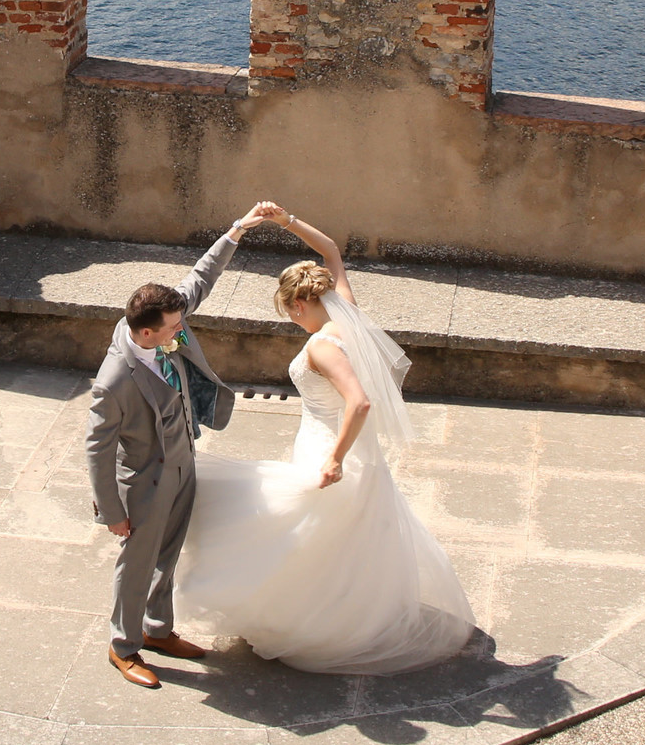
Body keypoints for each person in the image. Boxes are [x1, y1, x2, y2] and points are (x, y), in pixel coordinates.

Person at [175, 205, 477, 674]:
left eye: (291, 313)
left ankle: (308, 619)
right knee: (338, 537)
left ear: (298, 304)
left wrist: (334, 459)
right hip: (353, 450)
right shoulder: (347, 312)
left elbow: (359, 403)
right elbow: (332, 250)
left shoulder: (321, 343)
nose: (294, 320)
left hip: (329, 447)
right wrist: (285, 220)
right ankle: (340, 606)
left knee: (298, 531)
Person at [84, 205, 263, 689]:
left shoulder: (160, 323)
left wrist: (236, 230)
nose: (180, 329)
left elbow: (199, 280)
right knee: (138, 563)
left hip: (184, 463)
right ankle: (123, 647)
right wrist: (112, 510)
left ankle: (158, 630)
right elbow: (97, 448)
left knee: (170, 552)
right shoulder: (114, 381)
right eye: (172, 328)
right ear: (147, 333)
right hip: (143, 483)